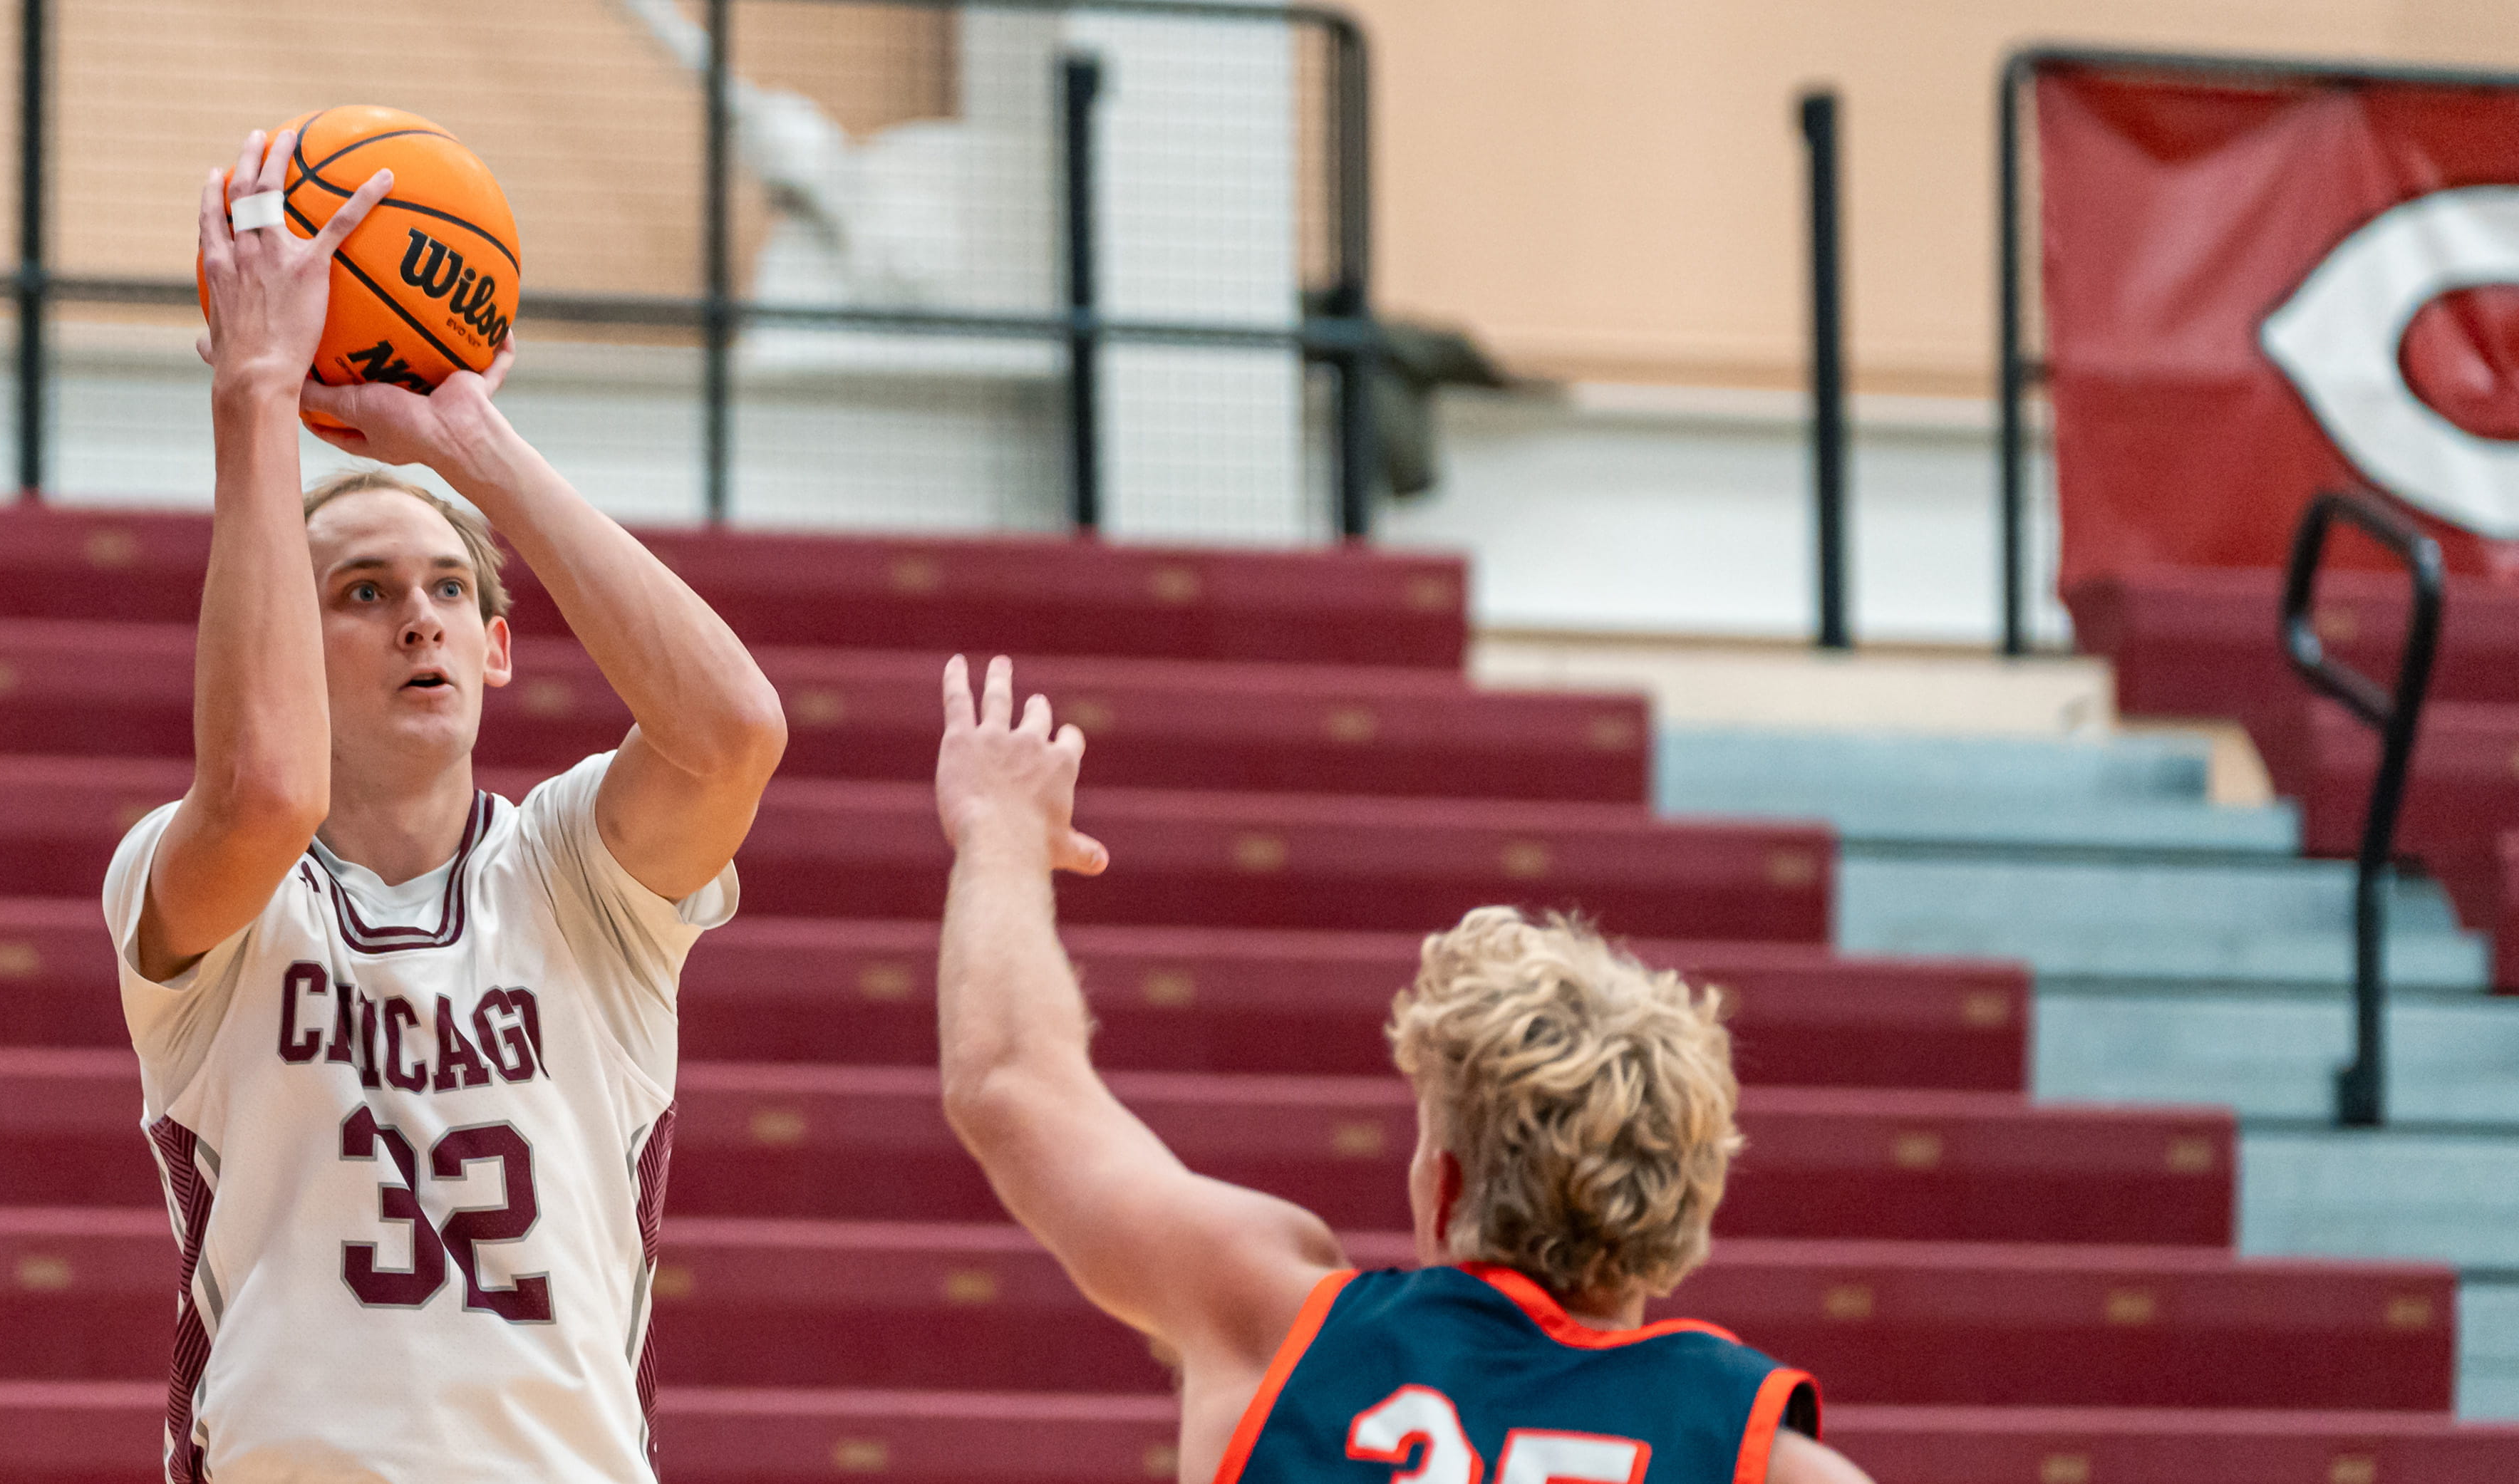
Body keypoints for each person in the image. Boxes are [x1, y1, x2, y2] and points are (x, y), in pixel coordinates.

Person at [98, 128, 786, 1484]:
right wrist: (254, 393)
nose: (418, 614)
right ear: (293, 634)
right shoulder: (199, 884)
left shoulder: (575, 879)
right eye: (362, 592)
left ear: (496, 647)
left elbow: (733, 736)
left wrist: (472, 442)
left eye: (449, 590)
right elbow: (265, 793)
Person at [926, 655, 1876, 1484]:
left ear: (1446, 1181)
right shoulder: (1752, 1453)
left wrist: (1002, 825)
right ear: (1682, 1214)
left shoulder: (1278, 1325)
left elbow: (1010, 1081)